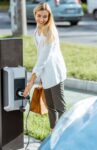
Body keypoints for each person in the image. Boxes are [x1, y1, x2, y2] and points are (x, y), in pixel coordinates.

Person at [23, 2, 67, 131]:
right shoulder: (37, 30)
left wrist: (30, 83)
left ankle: (63, 133)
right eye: (39, 16)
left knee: (60, 107)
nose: (42, 19)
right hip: (46, 72)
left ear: (49, 17)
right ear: (35, 14)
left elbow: (43, 59)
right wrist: (40, 76)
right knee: (51, 106)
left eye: (45, 17)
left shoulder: (50, 33)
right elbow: (40, 57)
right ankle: (53, 131)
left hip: (55, 73)